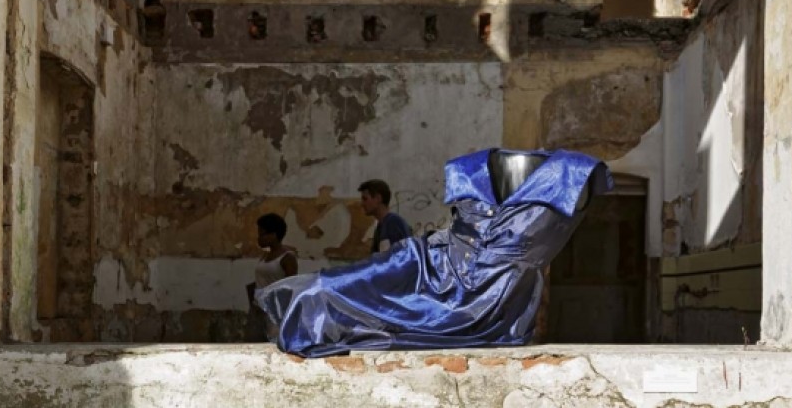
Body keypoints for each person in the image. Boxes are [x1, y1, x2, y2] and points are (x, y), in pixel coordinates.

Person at [255, 148, 612, 358]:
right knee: (324, 288)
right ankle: (305, 310)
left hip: (480, 294)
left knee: (330, 291)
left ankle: (310, 310)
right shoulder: (474, 168)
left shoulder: (570, 174)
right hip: (430, 264)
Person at [245, 213, 298, 342]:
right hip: (258, 309)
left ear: (273, 235)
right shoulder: (265, 256)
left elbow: (291, 287)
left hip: (275, 311)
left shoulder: (287, 258)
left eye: (262, 234)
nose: (259, 238)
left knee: (273, 345)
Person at [358, 179, 413, 254]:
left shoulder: (393, 224)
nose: (362, 204)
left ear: (378, 198)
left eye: (365, 199)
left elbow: (397, 257)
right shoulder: (381, 226)